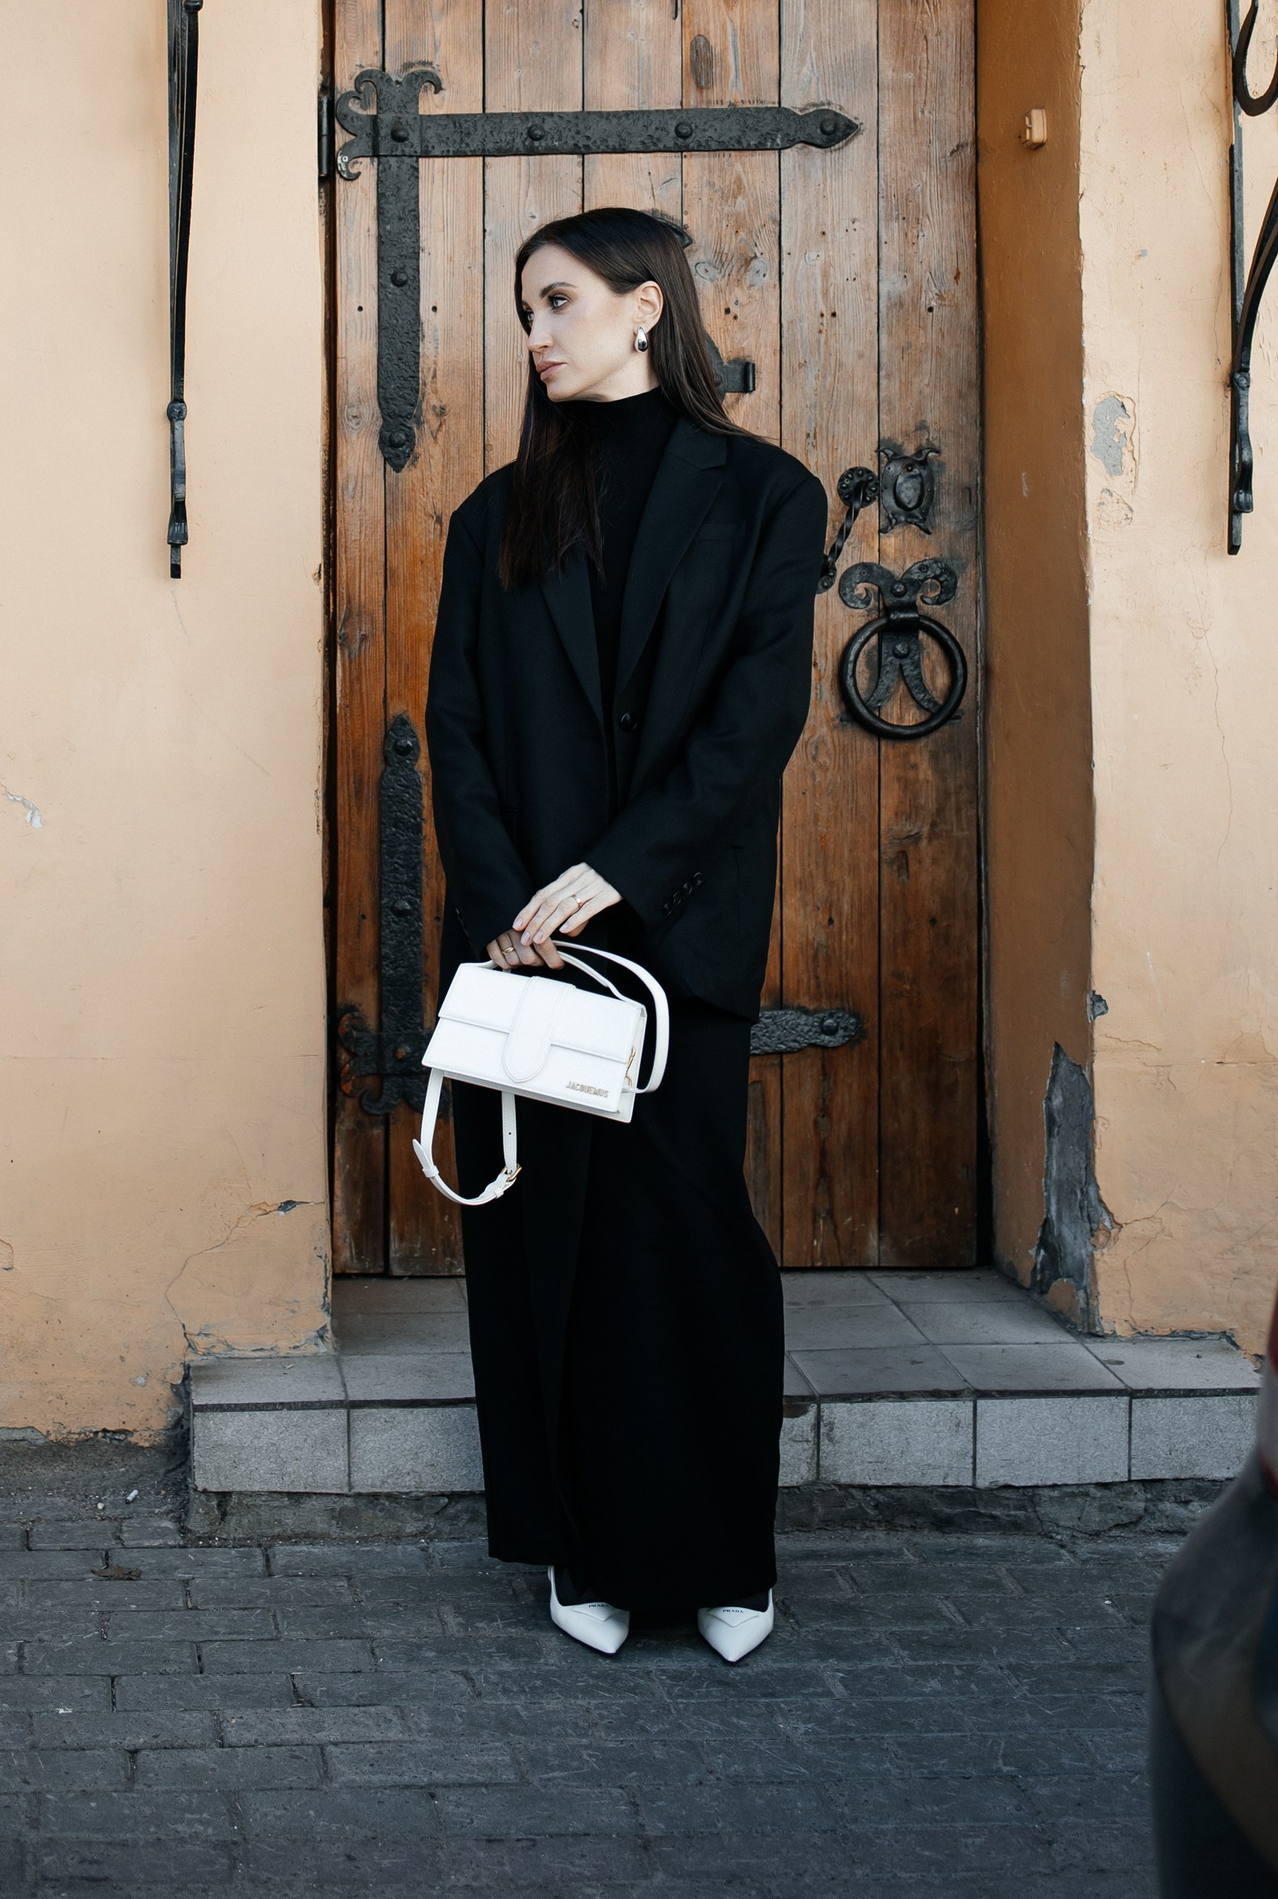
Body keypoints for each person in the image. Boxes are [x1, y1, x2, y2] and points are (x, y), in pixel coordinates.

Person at [425, 205, 827, 1664]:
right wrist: (505, 908)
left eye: (560, 302)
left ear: (648, 306)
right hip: (526, 951)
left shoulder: (767, 495)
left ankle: (724, 1558)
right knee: (549, 1251)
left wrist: (619, 873)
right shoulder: (493, 519)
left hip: (676, 939)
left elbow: (755, 722)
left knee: (689, 1243)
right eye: (527, 310)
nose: (536, 332)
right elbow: (457, 731)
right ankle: (576, 1550)